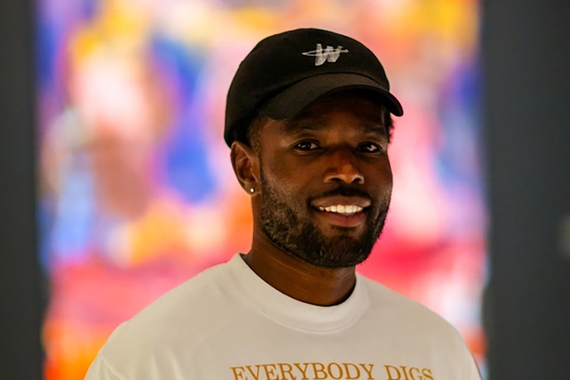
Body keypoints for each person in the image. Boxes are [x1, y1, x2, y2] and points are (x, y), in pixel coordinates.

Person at [85, 28, 482, 380]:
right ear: (247, 168)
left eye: (368, 146)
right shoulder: (152, 358)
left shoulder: (436, 352)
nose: (347, 169)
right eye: (308, 146)